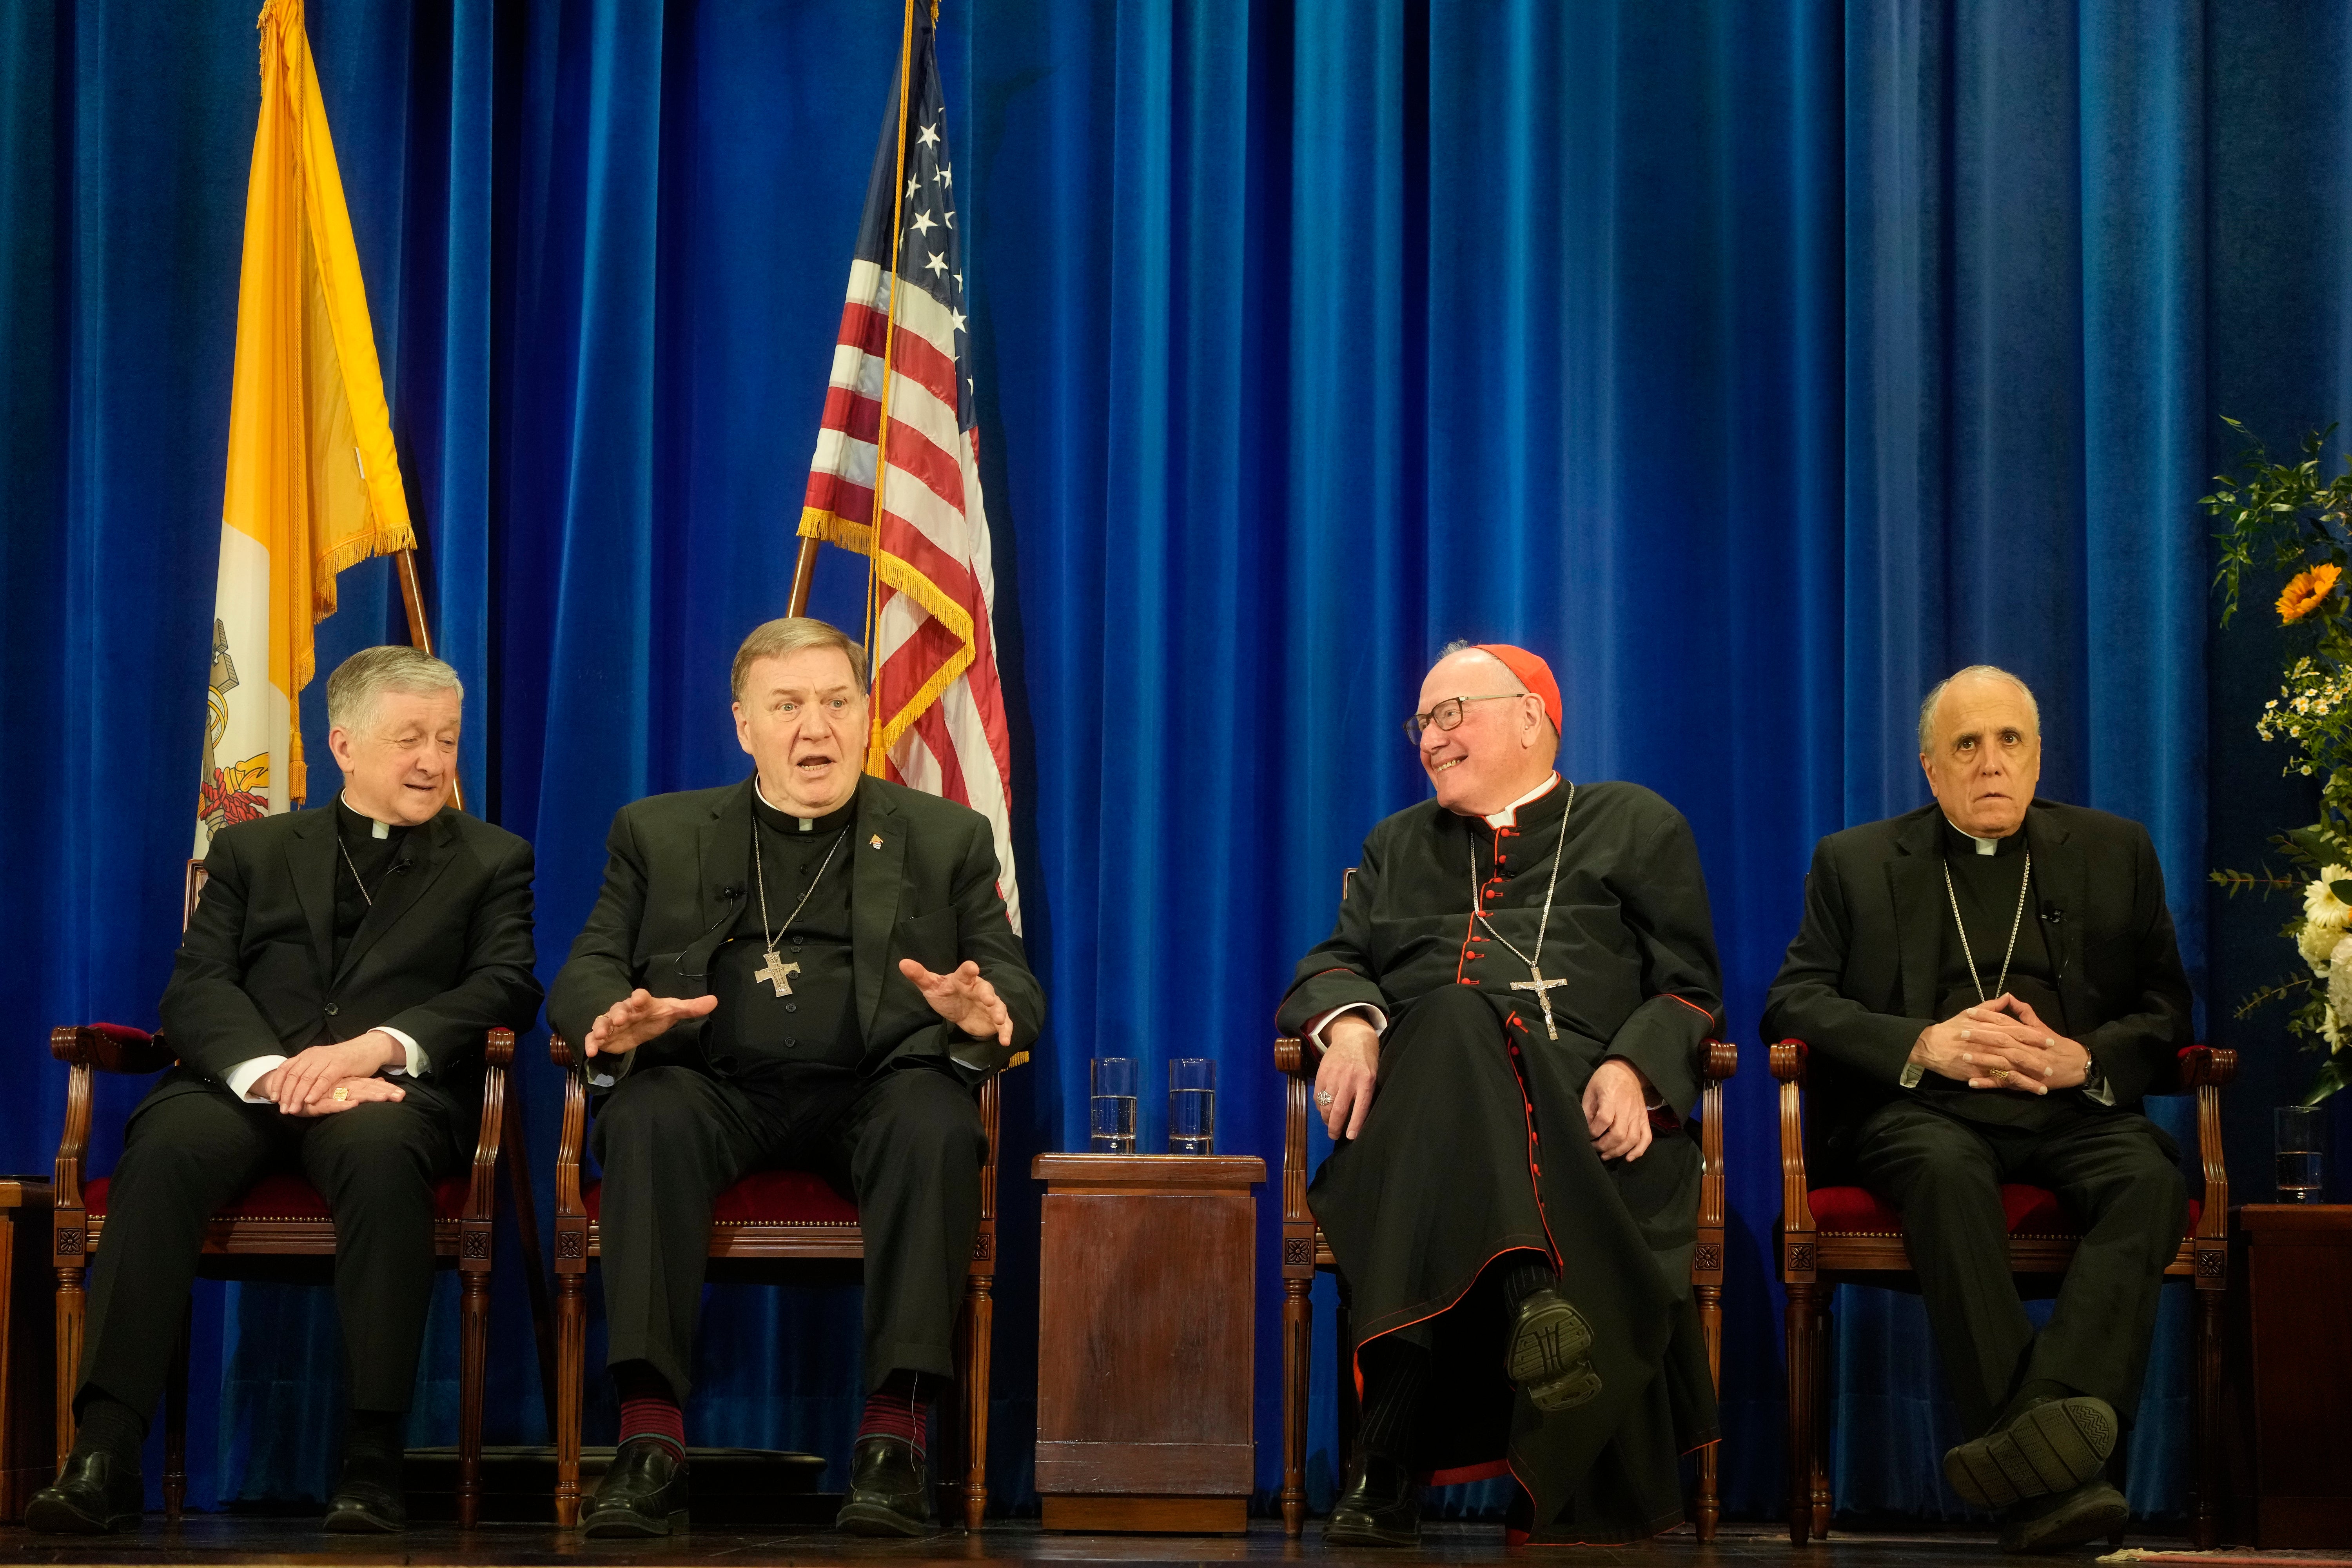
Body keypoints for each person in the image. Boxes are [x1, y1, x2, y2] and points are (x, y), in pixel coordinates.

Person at [27, 647, 541, 1535]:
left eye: (447, 740)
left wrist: (373, 1050)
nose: (432, 760)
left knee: (384, 1161)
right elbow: (194, 989)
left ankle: (373, 1460)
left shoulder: (494, 860)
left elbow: (505, 986)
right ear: (343, 743)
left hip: (392, 1095)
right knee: (166, 1149)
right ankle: (103, 1452)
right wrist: (274, 1072)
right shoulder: (252, 848)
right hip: (240, 1086)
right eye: (409, 737)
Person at [548, 616, 1040, 1539]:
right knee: (647, 1113)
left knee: (936, 1120)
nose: (815, 727)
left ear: (866, 716)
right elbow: (586, 969)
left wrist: (987, 1015)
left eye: (835, 702)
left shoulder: (946, 835)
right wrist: (613, 1020)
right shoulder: (656, 832)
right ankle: (650, 1442)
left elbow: (1009, 978)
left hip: (876, 1088)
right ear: (745, 725)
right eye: (788, 706)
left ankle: (893, 1441)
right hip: (715, 1086)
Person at [1276, 641, 1723, 1547]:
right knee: (1445, 1023)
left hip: (1580, 1120)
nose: (1431, 739)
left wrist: (1634, 1066)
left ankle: (1389, 1456)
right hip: (1421, 1127)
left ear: (1532, 717)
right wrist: (1354, 1024)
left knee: (1447, 1025)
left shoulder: (1633, 822)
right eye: (1422, 723)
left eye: (1453, 714)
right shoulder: (1396, 844)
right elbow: (1332, 962)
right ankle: (1532, 1303)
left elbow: (1690, 989)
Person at [1762, 664, 2194, 1553]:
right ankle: (2061, 1475)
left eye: (2010, 742)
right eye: (1967, 744)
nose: (1990, 763)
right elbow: (1793, 1001)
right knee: (1944, 1169)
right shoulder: (1855, 861)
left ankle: (2030, 1443)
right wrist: (1921, 1044)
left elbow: (2166, 1010)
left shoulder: (2117, 850)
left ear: (2038, 760)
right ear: (1931, 768)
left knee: (2150, 1175)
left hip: (2070, 1108)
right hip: (1922, 1116)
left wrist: (2087, 1058)